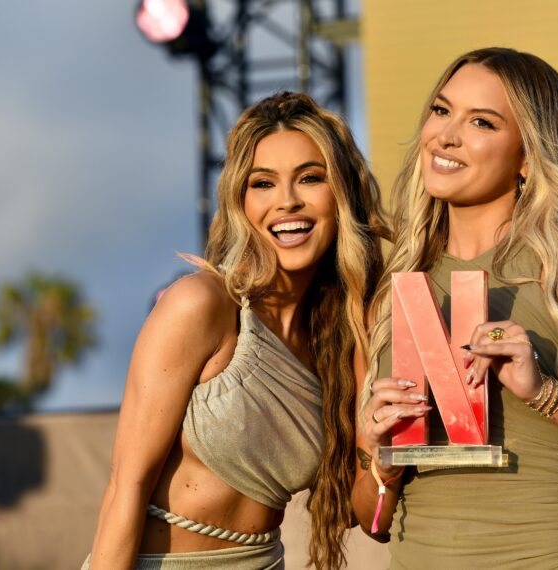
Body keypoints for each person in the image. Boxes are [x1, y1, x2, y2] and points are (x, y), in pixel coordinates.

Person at [352, 47, 558, 569]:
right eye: (441, 111)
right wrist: (383, 464)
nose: (445, 135)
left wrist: (545, 392)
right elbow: (373, 526)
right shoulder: (387, 286)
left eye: (481, 122)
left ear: (528, 156)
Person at [85, 92, 387, 570]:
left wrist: (382, 451)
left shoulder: (346, 336)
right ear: (241, 201)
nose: (287, 201)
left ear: (342, 193)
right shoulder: (201, 306)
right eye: (262, 183)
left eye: (310, 178)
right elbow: (127, 485)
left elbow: (365, 515)